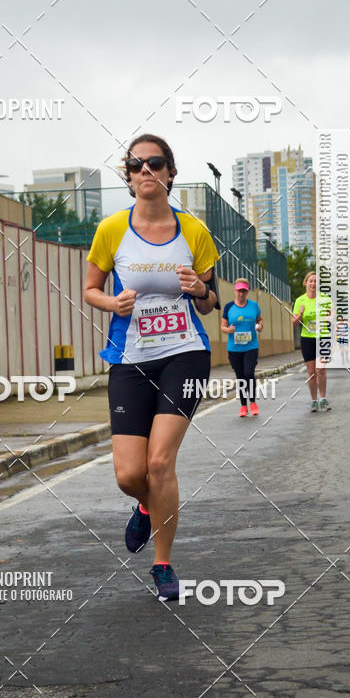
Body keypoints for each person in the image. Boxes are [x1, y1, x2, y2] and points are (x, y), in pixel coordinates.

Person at [84, 134, 220, 602]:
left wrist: (198, 290)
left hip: (185, 353)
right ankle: (145, 505)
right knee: (128, 474)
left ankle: (163, 564)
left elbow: (210, 303)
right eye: (136, 164)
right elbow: (90, 289)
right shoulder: (111, 230)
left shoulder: (194, 231)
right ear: (128, 176)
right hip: (130, 358)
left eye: (155, 163)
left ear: (170, 173)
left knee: (160, 462)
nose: (146, 170)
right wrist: (112, 302)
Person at [221, 280, 263, 417]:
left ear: (247, 292)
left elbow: (260, 320)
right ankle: (243, 406)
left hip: (251, 346)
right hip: (234, 348)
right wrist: (229, 330)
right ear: (235, 291)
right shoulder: (228, 307)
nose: (241, 293)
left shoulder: (253, 306)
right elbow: (222, 327)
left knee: (249, 373)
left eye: (244, 291)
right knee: (240, 377)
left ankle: (253, 403)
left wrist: (260, 326)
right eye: (239, 290)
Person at [292, 272, 331, 412]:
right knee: (311, 372)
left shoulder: (325, 299)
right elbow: (294, 322)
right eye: (311, 281)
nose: (313, 283)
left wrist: (329, 316)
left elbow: (333, 317)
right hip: (307, 338)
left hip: (323, 337)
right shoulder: (299, 300)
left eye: (315, 281)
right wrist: (301, 314)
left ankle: (323, 398)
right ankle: (314, 400)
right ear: (306, 283)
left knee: (320, 369)